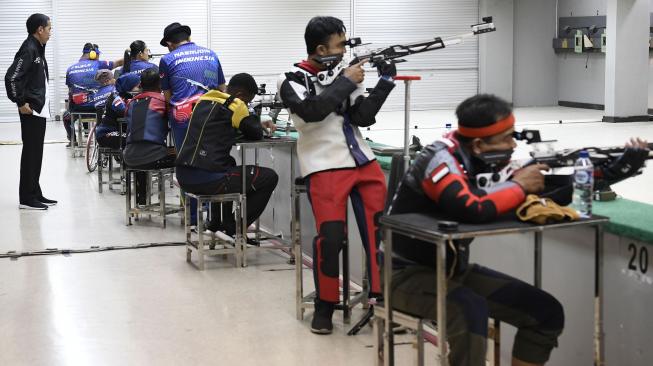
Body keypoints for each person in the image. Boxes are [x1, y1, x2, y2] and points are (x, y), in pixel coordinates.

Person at [385, 94, 650, 366]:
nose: (513, 145)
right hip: (401, 275)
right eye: (507, 138)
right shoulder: (439, 159)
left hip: (452, 271)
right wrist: (519, 186)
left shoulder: (484, 160)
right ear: (478, 144)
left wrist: (613, 171)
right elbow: (470, 207)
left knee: (544, 312)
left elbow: (549, 192)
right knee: (468, 309)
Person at [277, 16, 396, 334]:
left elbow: (363, 116)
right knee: (331, 240)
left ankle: (381, 301)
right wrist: (345, 80)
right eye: (340, 44)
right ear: (320, 48)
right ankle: (325, 306)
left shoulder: (345, 74)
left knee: (380, 236)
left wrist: (384, 84)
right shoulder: (290, 78)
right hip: (324, 164)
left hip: (364, 162)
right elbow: (312, 112)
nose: (346, 49)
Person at [176, 73, 278, 236]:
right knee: (269, 177)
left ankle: (216, 224)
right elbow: (255, 134)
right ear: (240, 95)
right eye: (248, 101)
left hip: (183, 176)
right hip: (208, 180)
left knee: (228, 163)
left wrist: (253, 121)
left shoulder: (204, 100)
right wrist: (254, 120)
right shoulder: (236, 105)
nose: (247, 105)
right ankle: (234, 227)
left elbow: (218, 125)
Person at [158, 21, 227, 226]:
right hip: (214, 117)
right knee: (215, 161)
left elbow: (168, 95)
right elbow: (223, 88)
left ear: (170, 43)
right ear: (187, 37)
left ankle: (193, 217)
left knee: (187, 163)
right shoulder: (211, 54)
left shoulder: (167, 59)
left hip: (184, 119)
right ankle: (215, 218)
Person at [4, 13, 56, 210]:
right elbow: (11, 77)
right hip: (30, 110)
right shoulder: (29, 49)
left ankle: (35, 192)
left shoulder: (38, 49)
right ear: (39, 29)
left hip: (38, 110)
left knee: (36, 153)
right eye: (49, 28)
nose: (51, 32)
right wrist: (20, 102)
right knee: (31, 154)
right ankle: (26, 198)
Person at [123, 68, 175, 205]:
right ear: (160, 84)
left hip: (129, 157)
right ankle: (188, 208)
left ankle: (142, 201)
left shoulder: (131, 103)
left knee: (142, 151)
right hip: (154, 157)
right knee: (183, 155)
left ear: (141, 84)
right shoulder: (165, 101)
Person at [96, 73, 141, 150]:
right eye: (138, 86)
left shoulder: (127, 95)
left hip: (118, 130)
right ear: (128, 85)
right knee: (136, 140)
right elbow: (125, 112)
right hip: (106, 134)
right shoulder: (116, 97)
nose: (140, 89)